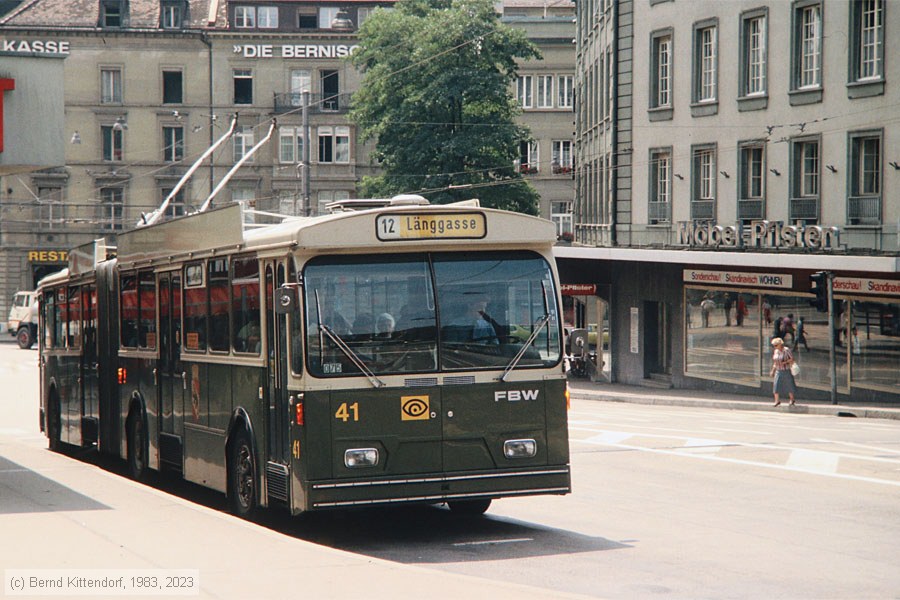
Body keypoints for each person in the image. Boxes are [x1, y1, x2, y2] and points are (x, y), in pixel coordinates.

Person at [769, 337, 797, 407]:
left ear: (780, 344)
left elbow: (792, 359)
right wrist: (773, 370)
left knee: (789, 385)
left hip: (786, 370)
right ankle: (777, 400)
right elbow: (775, 362)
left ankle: (792, 399)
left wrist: (784, 362)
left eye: (776, 345)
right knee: (776, 385)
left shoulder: (786, 350)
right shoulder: (776, 351)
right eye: (774, 346)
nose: (775, 347)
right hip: (778, 370)